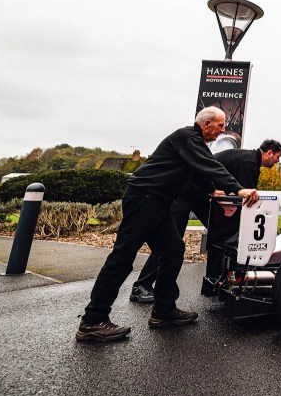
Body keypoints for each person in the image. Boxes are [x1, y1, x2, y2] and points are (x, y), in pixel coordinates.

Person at [76, 107, 259, 342]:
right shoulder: (187, 137)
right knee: (122, 258)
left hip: (158, 202)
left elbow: (198, 171)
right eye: (221, 125)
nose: (223, 130)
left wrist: (213, 190)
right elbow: (208, 165)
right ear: (206, 124)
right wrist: (239, 188)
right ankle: (93, 320)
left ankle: (164, 311)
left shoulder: (193, 144)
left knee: (173, 250)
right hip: (144, 197)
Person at [129, 139, 281, 303]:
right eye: (277, 156)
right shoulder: (248, 162)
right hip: (185, 193)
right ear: (269, 153)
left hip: (203, 195)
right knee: (170, 241)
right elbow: (245, 198)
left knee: (221, 235)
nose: (278, 161)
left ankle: (214, 281)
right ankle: (141, 286)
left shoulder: (249, 160)